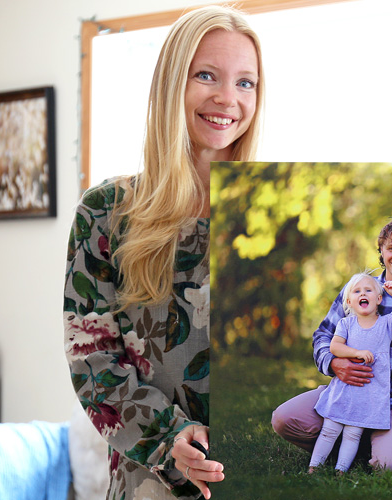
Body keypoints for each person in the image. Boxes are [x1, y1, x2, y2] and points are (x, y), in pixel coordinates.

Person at [63, 6, 264, 499]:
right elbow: (92, 359)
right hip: (147, 484)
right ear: (172, 82)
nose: (227, 98)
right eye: (206, 75)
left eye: (246, 83)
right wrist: (170, 440)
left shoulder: (267, 212)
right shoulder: (105, 212)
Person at [271, 216, 392, 470]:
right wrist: (334, 363)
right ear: (382, 251)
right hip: (348, 392)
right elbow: (323, 336)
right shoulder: (359, 289)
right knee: (284, 419)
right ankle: (351, 442)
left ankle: (373, 444)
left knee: (389, 465)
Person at [308, 273, 392, 473]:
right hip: (345, 388)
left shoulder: (387, 323)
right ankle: (314, 467)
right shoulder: (346, 324)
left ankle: (341, 470)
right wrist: (356, 352)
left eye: (368, 290)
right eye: (357, 291)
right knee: (329, 430)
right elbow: (335, 347)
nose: (362, 294)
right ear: (349, 301)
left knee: (353, 433)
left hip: (369, 393)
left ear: (379, 298)